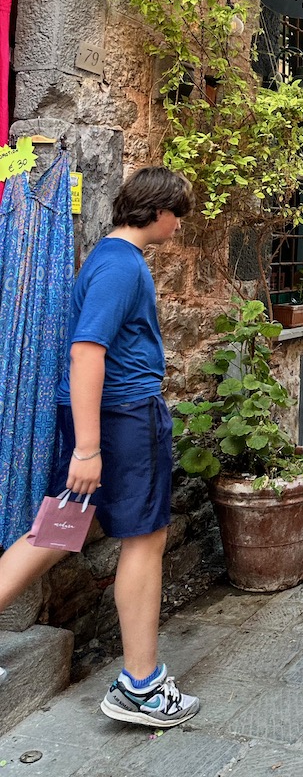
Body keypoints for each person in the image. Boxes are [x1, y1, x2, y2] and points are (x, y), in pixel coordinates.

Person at [0, 166, 199, 728]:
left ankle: (140, 682)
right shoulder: (121, 265)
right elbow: (87, 351)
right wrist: (88, 449)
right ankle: (141, 686)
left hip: (100, 417)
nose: (179, 226)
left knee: (58, 529)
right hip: (123, 418)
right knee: (145, 538)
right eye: (178, 215)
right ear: (158, 212)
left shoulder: (108, 258)